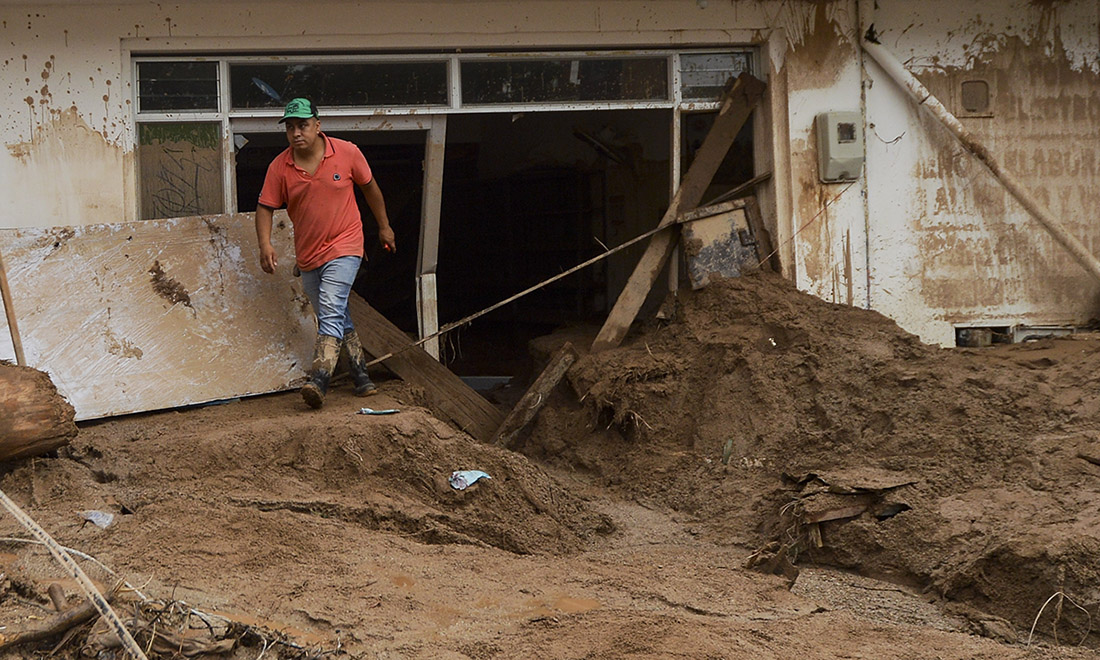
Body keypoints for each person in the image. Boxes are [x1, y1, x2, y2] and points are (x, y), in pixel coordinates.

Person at [255, 97, 396, 409]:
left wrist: (384, 226)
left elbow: (370, 188)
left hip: (346, 245)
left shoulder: (346, 152)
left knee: (331, 307)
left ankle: (319, 379)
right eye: (290, 127)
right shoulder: (280, 167)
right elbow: (265, 207)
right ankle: (361, 377)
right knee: (335, 314)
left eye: (303, 125)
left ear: (318, 126)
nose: (296, 133)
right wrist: (265, 244)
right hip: (308, 255)